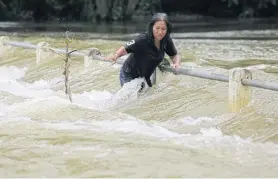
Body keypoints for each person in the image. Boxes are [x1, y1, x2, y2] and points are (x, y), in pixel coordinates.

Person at [106, 13, 181, 88]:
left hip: (145, 76)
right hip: (129, 74)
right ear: (152, 27)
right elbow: (125, 48)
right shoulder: (142, 39)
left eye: (163, 29)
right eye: (157, 28)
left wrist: (176, 63)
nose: (160, 32)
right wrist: (115, 56)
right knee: (130, 97)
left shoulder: (166, 41)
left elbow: (174, 54)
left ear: (167, 29)